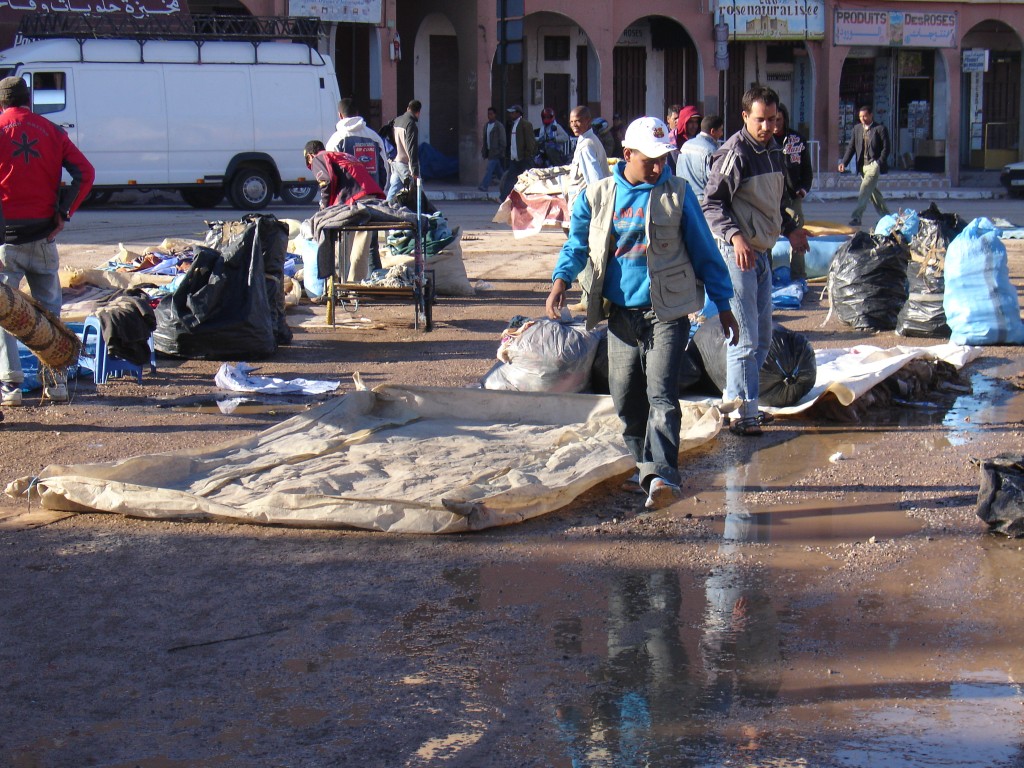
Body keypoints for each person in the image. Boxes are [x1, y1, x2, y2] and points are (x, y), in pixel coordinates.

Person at [545, 116, 739, 510]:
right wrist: (560, 281)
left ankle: (663, 475)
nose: (658, 167)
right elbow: (577, 246)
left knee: (662, 395)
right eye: (650, 160)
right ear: (627, 155)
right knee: (625, 397)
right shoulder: (597, 196)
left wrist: (724, 305)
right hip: (620, 315)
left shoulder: (677, 193)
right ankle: (643, 466)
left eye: (663, 159)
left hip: (666, 313)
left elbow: (705, 252)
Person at [703, 85, 809, 437]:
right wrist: (735, 237)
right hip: (738, 254)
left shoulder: (774, 150)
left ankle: (735, 403)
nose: (767, 127)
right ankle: (745, 413)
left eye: (773, 119)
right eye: (760, 120)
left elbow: (775, 203)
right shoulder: (734, 153)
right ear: (745, 116)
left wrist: (791, 229)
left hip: (762, 252)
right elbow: (711, 204)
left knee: (762, 338)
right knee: (744, 338)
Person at [0, 75, 94, 406]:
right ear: (29, 100)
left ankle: (10, 386)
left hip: (6, 239)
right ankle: (56, 384)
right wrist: (64, 212)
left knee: (3, 312)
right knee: (51, 311)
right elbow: (86, 173)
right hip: (43, 236)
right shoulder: (53, 131)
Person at [303, 140, 385, 282]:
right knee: (361, 248)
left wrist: (325, 209)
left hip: (352, 202)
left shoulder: (319, 158)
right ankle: (356, 285)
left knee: (342, 247)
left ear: (309, 156)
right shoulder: (342, 156)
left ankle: (339, 284)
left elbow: (326, 181)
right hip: (370, 199)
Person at [325, 98, 390, 270]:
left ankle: (348, 281)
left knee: (345, 246)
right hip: (372, 200)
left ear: (340, 115)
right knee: (370, 245)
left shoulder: (336, 139)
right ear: (358, 113)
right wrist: (379, 192)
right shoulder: (374, 137)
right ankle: (375, 279)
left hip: (347, 202)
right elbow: (385, 168)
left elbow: (330, 175)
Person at [838, 105, 891, 227]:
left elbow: (886, 148)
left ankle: (856, 217)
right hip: (862, 166)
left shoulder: (880, 129)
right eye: (860, 117)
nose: (862, 119)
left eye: (865, 116)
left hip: (874, 165)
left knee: (864, 189)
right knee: (873, 194)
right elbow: (851, 147)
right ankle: (887, 217)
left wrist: (879, 163)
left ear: (871, 115)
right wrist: (844, 162)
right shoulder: (857, 129)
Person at [773, 104, 813, 230]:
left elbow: (807, 168)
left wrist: (804, 188)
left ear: (785, 119)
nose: (775, 123)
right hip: (769, 194)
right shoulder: (762, 141)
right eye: (772, 119)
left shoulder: (798, 140)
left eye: (778, 119)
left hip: (792, 194)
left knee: (796, 225)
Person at [562, 105, 610, 210]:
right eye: (571, 122)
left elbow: (595, 179)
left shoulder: (586, 146)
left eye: (578, 121)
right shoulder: (588, 139)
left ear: (588, 121)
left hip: (583, 204)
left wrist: (598, 207)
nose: (574, 125)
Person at [675, 114, 724, 204]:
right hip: (702, 200)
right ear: (712, 131)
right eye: (721, 130)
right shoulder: (712, 150)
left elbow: (678, 171)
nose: (722, 134)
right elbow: (715, 180)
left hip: (683, 197)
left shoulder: (685, 145)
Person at [385, 99, 421, 201]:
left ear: (407, 108)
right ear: (418, 112)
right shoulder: (411, 124)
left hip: (396, 162)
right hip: (405, 165)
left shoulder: (397, 120)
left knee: (393, 192)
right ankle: (419, 211)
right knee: (417, 193)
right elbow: (411, 148)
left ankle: (385, 207)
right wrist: (414, 171)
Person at [500, 104, 536, 201]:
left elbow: (530, 142)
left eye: (513, 113)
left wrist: (527, 154)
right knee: (510, 179)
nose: (511, 115)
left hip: (524, 158)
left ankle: (532, 198)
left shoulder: (525, 124)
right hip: (515, 158)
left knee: (530, 179)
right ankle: (503, 198)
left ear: (518, 113)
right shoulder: (513, 125)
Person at [478, 106, 506, 194]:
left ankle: (484, 185)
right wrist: (484, 151)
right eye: (488, 114)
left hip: (496, 151)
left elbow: (503, 140)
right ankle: (507, 183)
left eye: (491, 114)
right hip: (489, 151)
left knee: (489, 169)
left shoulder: (499, 126)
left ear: (495, 115)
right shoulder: (487, 125)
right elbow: (485, 139)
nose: (489, 116)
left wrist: (500, 150)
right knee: (499, 172)